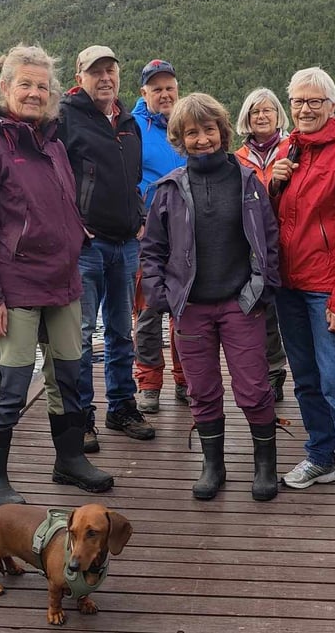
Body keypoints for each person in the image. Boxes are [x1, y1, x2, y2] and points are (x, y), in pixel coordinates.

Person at [0, 43, 114, 505]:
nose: (34, 93)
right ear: (5, 87)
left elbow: (64, 211)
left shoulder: (55, 147)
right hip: (15, 290)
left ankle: (68, 459)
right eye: (24, 84)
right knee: (12, 383)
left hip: (64, 285)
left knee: (69, 374)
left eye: (42, 86)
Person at [140, 93, 281, 502]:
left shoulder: (248, 182)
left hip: (241, 302)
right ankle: (212, 465)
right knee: (202, 389)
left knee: (254, 388)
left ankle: (264, 464)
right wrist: (161, 295)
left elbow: (268, 241)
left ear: (222, 131)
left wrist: (260, 289)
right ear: (180, 139)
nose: (202, 139)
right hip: (191, 309)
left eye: (208, 130)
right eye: (191, 133)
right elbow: (152, 251)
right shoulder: (167, 189)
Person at [269, 67, 335, 528]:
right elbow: (277, 221)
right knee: (306, 379)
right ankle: (321, 457)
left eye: (315, 101)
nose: (306, 109)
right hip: (289, 287)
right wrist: (274, 182)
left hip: (324, 289)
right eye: (298, 101)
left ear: (332, 106)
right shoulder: (289, 149)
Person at [57, 45, 155, 451]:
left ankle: (121, 406)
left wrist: (140, 216)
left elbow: (131, 179)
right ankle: (81, 419)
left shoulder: (128, 122)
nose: (105, 79)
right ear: (80, 77)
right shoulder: (64, 117)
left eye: (111, 71)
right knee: (79, 336)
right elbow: (54, 179)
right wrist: (73, 225)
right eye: (96, 72)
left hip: (125, 245)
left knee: (120, 332)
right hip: (87, 248)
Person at [131, 59, 187, 414]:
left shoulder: (187, 123)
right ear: (144, 93)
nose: (164, 94)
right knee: (148, 312)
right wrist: (136, 219)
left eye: (169, 88)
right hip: (147, 236)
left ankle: (186, 380)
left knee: (186, 311)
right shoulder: (131, 127)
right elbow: (123, 178)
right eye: (157, 89)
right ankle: (149, 383)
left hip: (186, 235)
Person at [234, 88, 291, 402]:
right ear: (247, 118)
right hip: (255, 247)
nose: (262, 116)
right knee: (264, 313)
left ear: (278, 114)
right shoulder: (238, 159)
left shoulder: (293, 148)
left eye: (268, 110)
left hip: (292, 244)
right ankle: (273, 374)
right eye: (255, 111)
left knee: (293, 312)